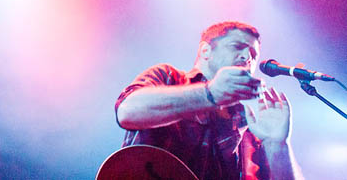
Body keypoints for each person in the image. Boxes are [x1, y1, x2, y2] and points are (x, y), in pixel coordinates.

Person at [115, 21, 303, 179]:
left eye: (254, 55)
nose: (247, 58)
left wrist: (277, 144)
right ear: (205, 51)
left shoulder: (252, 127)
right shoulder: (169, 78)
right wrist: (210, 94)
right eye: (236, 47)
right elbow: (127, 112)